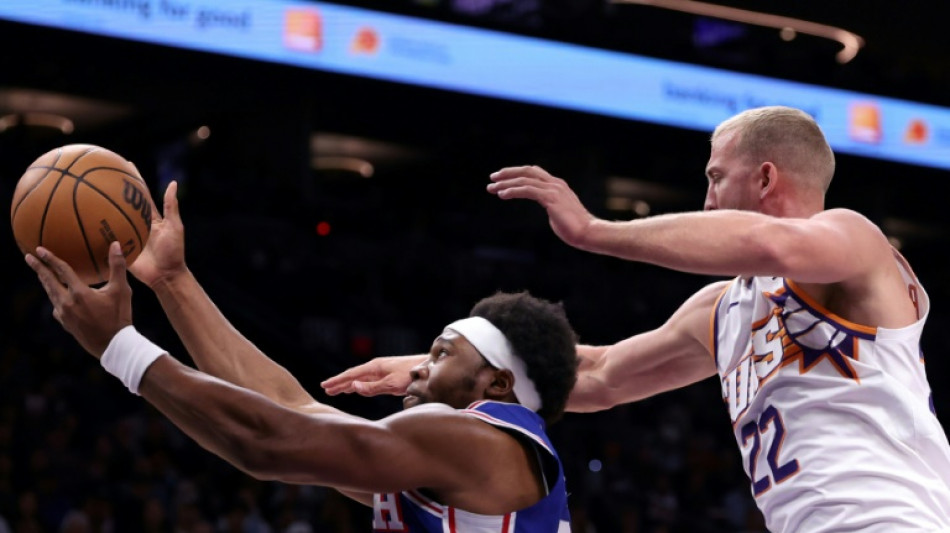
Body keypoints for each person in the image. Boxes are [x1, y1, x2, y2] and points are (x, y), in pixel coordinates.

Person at [321, 106, 950, 532]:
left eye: (714, 177)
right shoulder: (722, 308)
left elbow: (775, 244)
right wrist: (430, 364)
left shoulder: (852, 240)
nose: (705, 199)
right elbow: (599, 373)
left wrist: (596, 232)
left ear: (764, 178)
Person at [25, 181, 580, 533]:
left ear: (498, 384)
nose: (417, 367)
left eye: (440, 355)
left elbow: (266, 443)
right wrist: (172, 281)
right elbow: (288, 407)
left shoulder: (479, 441)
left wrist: (119, 346)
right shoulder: (468, 468)